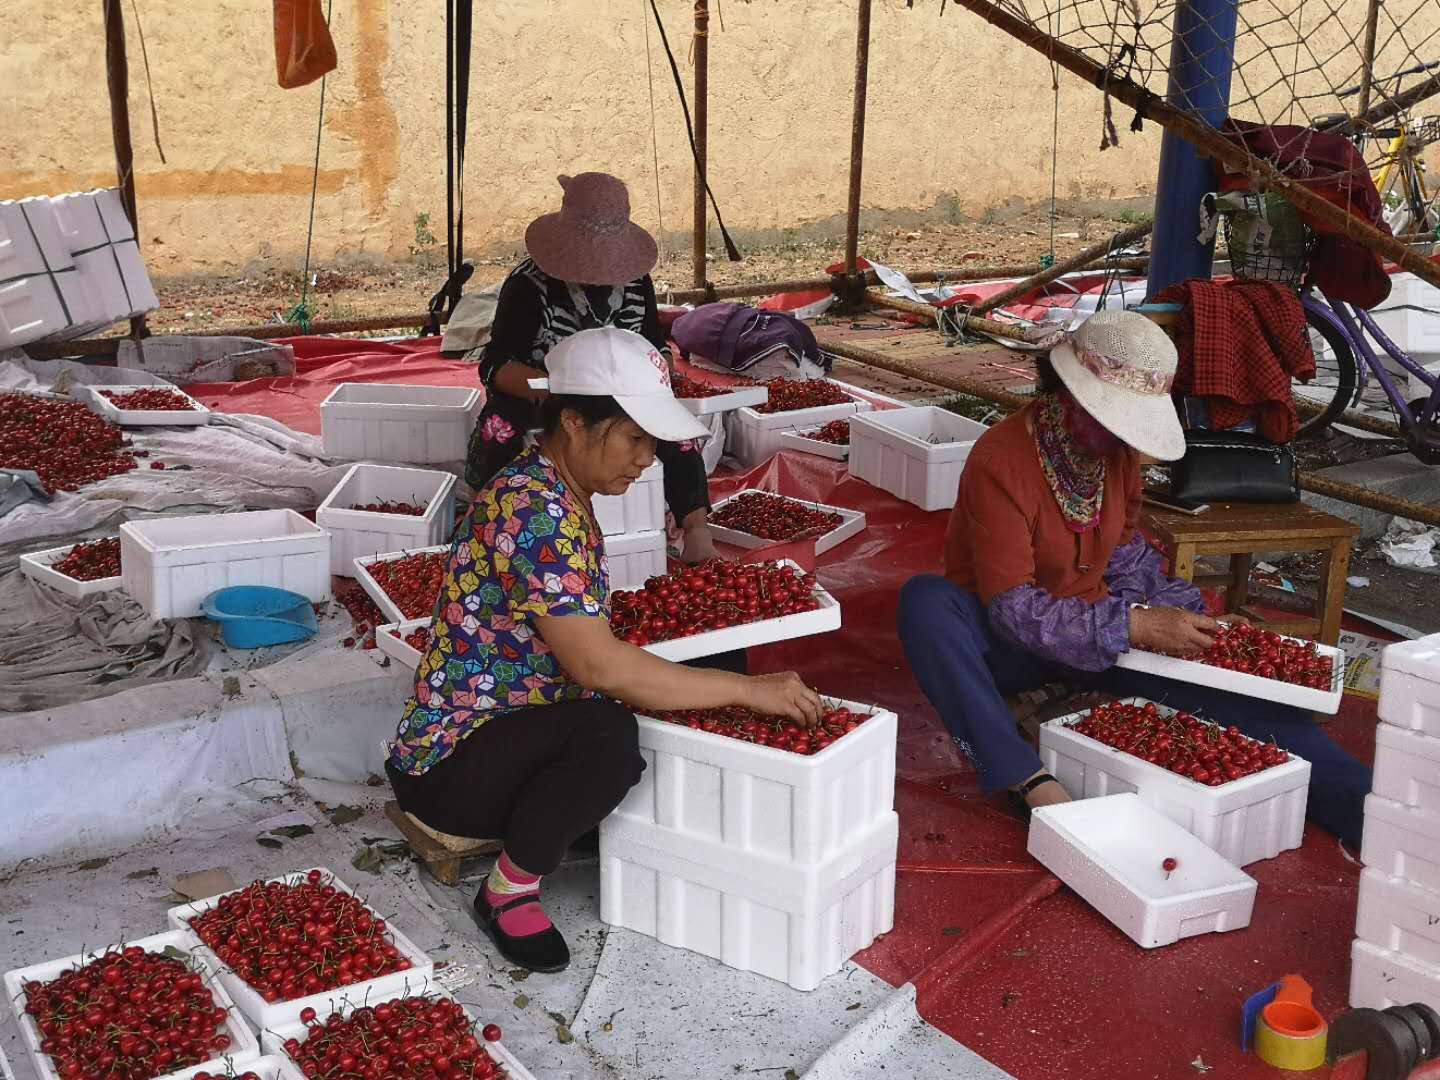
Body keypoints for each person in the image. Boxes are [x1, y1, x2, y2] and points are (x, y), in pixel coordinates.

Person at [387, 327, 823, 973]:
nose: (646, 458)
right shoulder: (535, 511)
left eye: (652, 442)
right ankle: (508, 890)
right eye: (634, 438)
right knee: (608, 733)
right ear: (573, 422)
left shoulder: (558, 490)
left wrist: (726, 679)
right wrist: (745, 692)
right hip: (452, 768)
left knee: (710, 665)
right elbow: (595, 665)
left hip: (521, 721)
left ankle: (611, 813)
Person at [896, 309, 1371, 845]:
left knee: (1248, 708)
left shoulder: (1113, 456)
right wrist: (1136, 628)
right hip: (1008, 646)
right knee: (926, 602)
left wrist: (1195, 621)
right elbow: (1012, 611)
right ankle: (1023, 778)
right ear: (1070, 399)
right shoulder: (1001, 460)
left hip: (1105, 633)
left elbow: (1125, 556)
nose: (1122, 439)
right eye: (1110, 420)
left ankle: (1369, 813)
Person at [467, 171, 717, 564]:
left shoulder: (637, 283)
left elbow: (654, 344)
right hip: (545, 392)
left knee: (677, 433)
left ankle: (697, 529)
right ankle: (482, 516)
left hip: (624, 394)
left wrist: (658, 375)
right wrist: (560, 385)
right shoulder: (528, 286)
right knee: (500, 426)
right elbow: (496, 367)